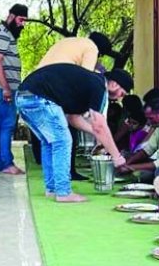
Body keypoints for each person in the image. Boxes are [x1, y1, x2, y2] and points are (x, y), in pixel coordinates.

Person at [17, 64, 132, 202]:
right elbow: (99, 125)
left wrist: (96, 134)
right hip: (39, 98)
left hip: (23, 97)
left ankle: (52, 189)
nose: (120, 98)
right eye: (122, 93)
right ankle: (63, 192)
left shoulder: (88, 84)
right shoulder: (99, 86)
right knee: (63, 141)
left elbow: (73, 118)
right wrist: (117, 158)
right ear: (114, 84)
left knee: (49, 142)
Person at [33, 31, 120, 179]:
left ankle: (44, 164)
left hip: (38, 81)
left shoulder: (72, 42)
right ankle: (69, 172)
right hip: (55, 82)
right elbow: (85, 76)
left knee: (46, 132)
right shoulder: (91, 48)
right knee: (68, 130)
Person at [0, 4, 28, 175]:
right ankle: (6, 163)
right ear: (11, 16)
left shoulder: (5, 33)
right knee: (6, 125)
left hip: (6, 88)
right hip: (5, 89)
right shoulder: (3, 33)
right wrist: (6, 88)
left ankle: (0, 163)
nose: (22, 24)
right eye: (21, 20)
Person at [119, 97, 159, 183]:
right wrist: (127, 163)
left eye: (151, 118)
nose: (149, 122)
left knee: (154, 172)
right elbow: (147, 150)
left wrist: (132, 167)